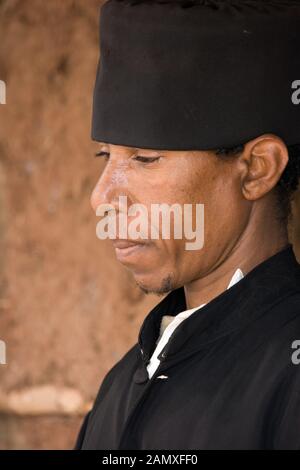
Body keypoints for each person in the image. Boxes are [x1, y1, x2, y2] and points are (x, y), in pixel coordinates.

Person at [75, 0, 300, 449]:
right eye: (106, 156)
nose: (102, 197)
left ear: (256, 168)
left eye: (145, 158)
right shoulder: (121, 384)